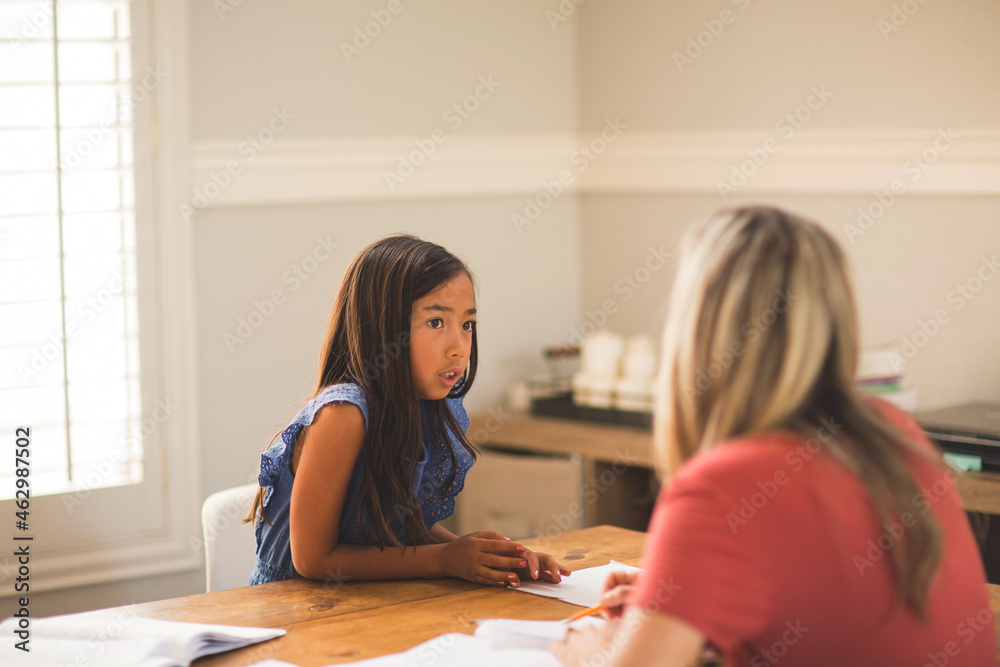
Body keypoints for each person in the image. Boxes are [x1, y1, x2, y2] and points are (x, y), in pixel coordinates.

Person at [554, 207, 996, 666]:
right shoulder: (894, 432)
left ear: (699, 333)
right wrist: (686, 600)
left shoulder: (720, 487)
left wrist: (596, 650)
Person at [245, 234, 569, 588]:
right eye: (435, 323)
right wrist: (446, 559)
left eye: (467, 325)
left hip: (363, 608)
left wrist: (490, 555)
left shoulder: (422, 406)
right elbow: (313, 560)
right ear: (382, 329)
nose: (459, 348)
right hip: (290, 613)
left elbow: (400, 525)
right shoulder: (343, 413)